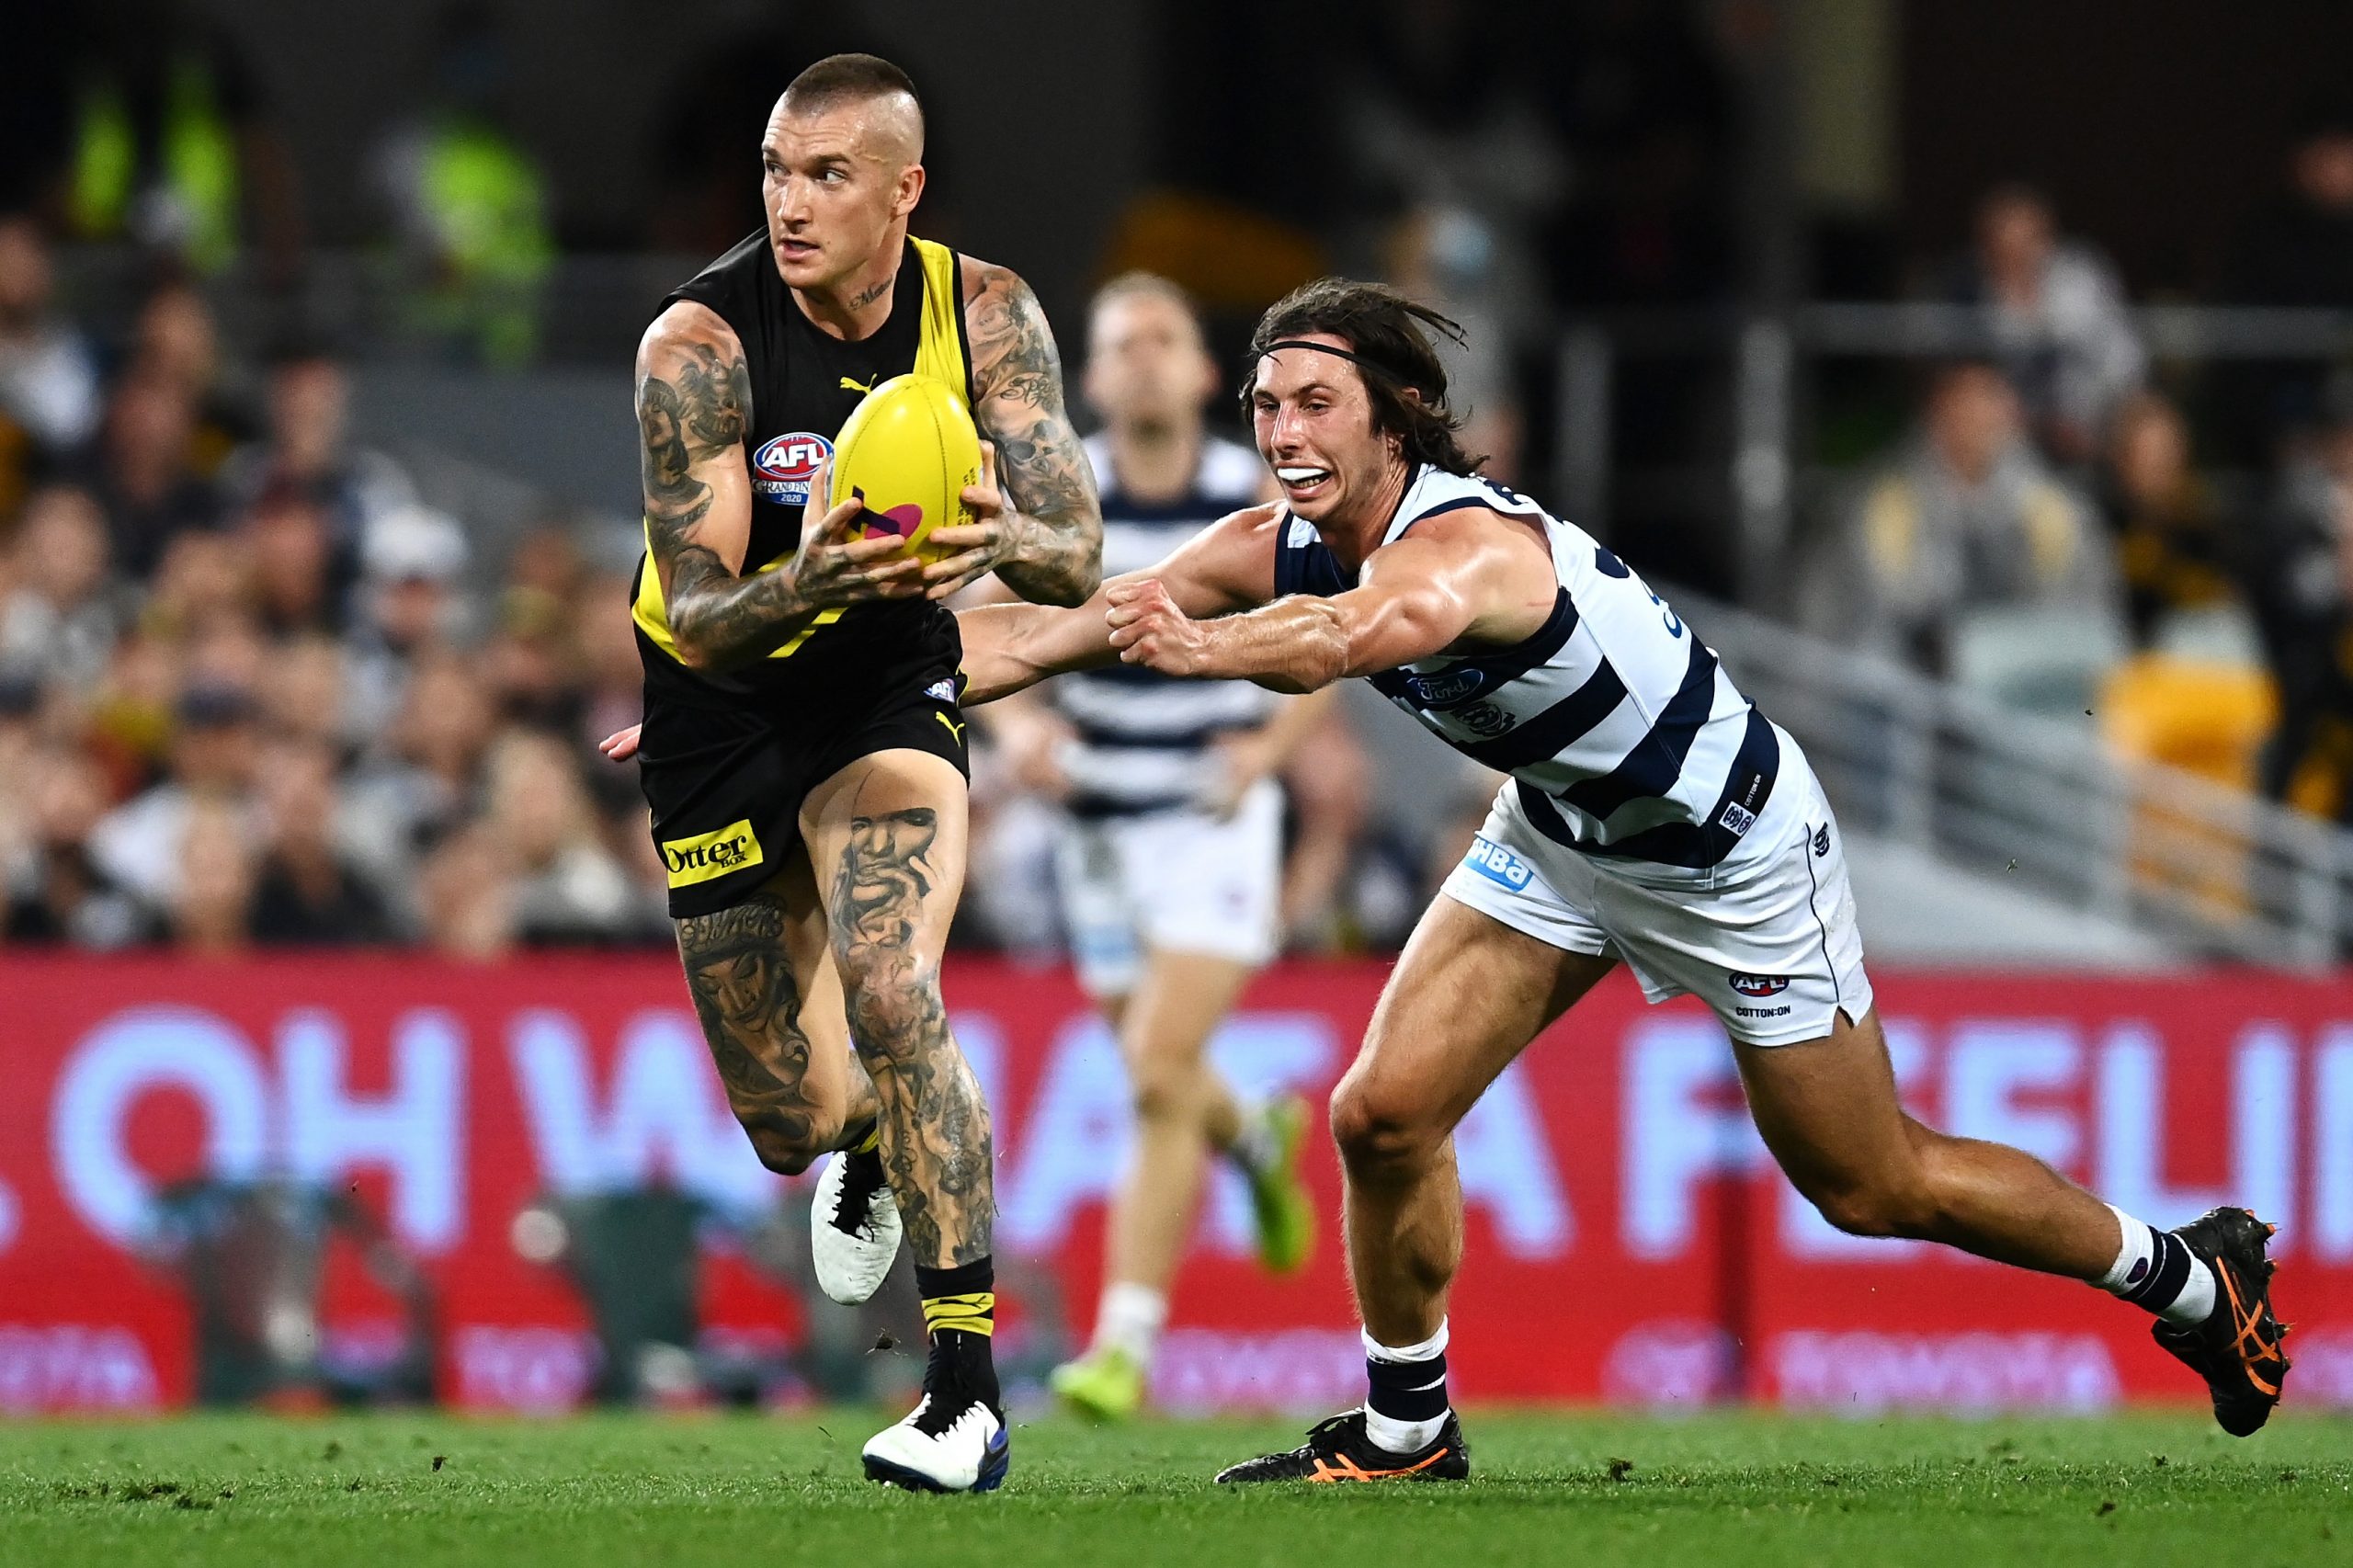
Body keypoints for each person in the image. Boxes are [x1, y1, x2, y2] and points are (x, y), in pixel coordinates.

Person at [953, 278, 2291, 1483]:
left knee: (1875, 1184)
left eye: (1317, 403)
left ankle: (2188, 1277)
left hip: (1734, 862)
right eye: (1267, 406)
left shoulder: (1467, 550)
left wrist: (1201, 652)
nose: (1286, 430)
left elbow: (1351, 635)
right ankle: (1406, 1431)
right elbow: (1076, 623)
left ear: (1395, 422)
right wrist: (888, 665)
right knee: (1380, 1115)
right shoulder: (1282, 534)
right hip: (1566, 834)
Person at [606, 53, 1099, 1492]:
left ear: (906, 191)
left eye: (828, 176)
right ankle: (869, 1136)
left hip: (884, 687)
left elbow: (1075, 553)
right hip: (716, 704)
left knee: (899, 986)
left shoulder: (986, 311)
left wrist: (995, 533)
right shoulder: (695, 344)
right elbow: (692, 610)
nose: (792, 203)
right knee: (790, 1120)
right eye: (775, 171)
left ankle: (964, 1392)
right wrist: (807, 568)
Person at [981, 273, 1321, 1420]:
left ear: (1197, 372)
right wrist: (1017, 722)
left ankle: (1122, 1344)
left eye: (1160, 338)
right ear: (1093, 375)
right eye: (1118, 343)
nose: (1138, 359)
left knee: (1153, 1070)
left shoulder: (1250, 494)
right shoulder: (1059, 497)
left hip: (1211, 816)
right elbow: (976, 627)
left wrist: (1270, 749)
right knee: (1165, 1074)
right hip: (1098, 831)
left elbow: (1338, 629)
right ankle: (1259, 1135)